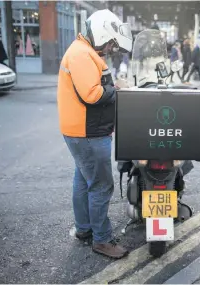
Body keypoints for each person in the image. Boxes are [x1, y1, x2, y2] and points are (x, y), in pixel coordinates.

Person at [57, 9, 132, 259]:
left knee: (83, 181)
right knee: (101, 186)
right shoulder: (81, 54)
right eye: (110, 41)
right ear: (100, 32)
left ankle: (84, 228)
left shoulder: (84, 51)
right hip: (88, 134)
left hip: (82, 131)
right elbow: (92, 94)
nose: (110, 47)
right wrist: (117, 89)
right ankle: (102, 239)